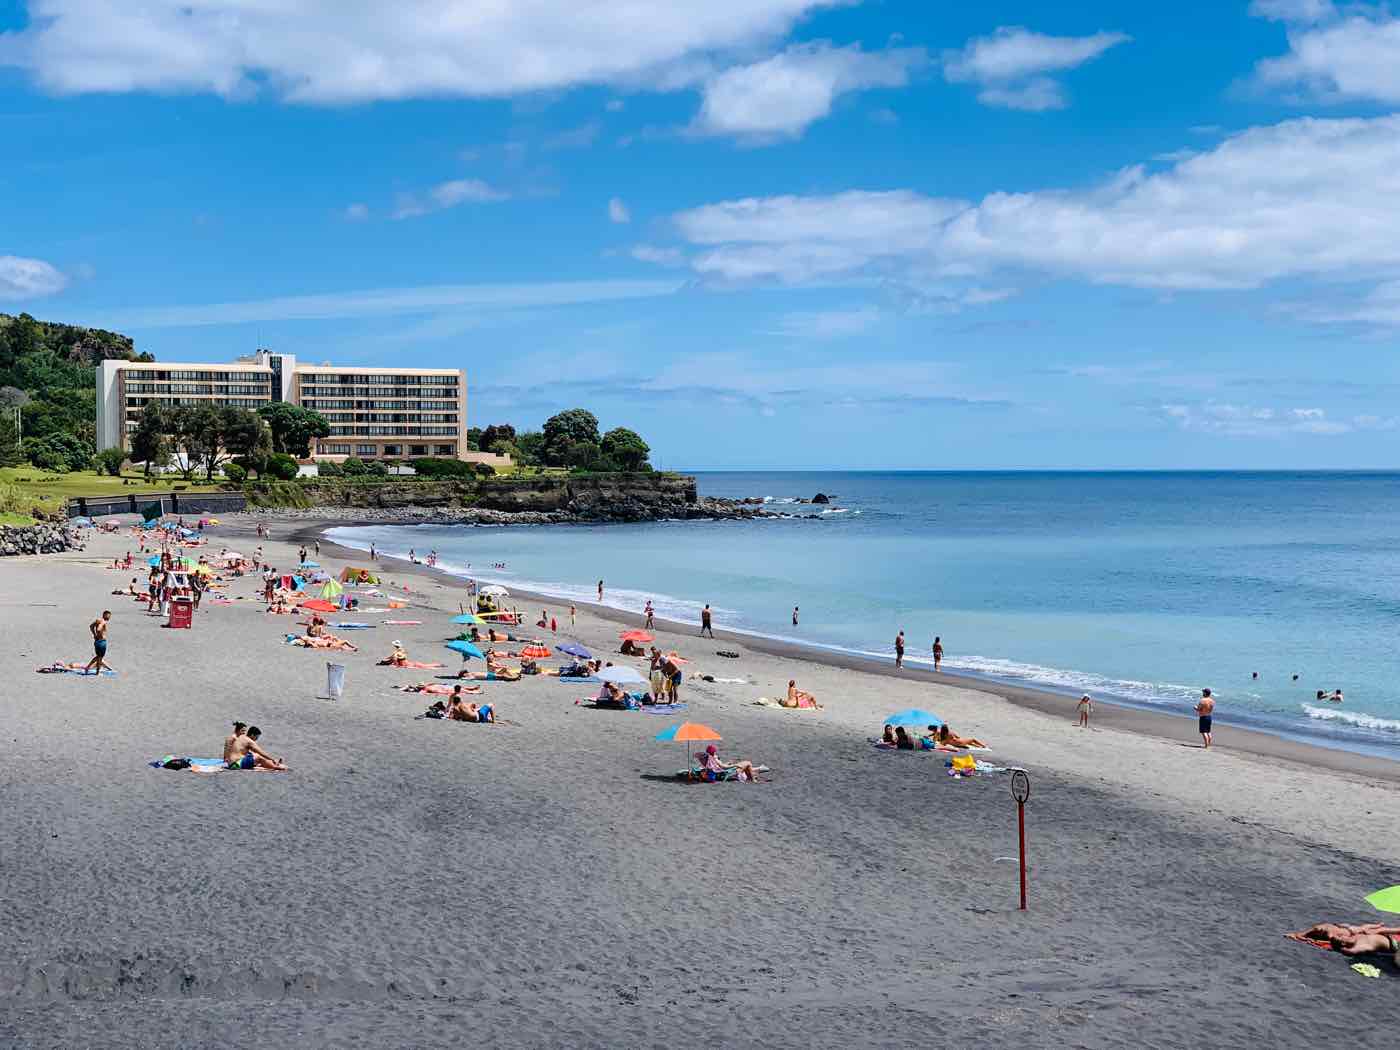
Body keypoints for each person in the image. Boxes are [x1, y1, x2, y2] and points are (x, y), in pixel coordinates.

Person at [84, 610, 112, 675]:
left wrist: (94, 634)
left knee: (98, 656)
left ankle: (88, 668)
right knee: (100, 658)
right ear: (104, 615)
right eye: (108, 616)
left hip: (97, 641)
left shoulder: (98, 620)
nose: (109, 617)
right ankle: (97, 672)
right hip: (102, 642)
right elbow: (99, 629)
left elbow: (91, 626)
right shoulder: (103, 622)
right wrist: (99, 634)